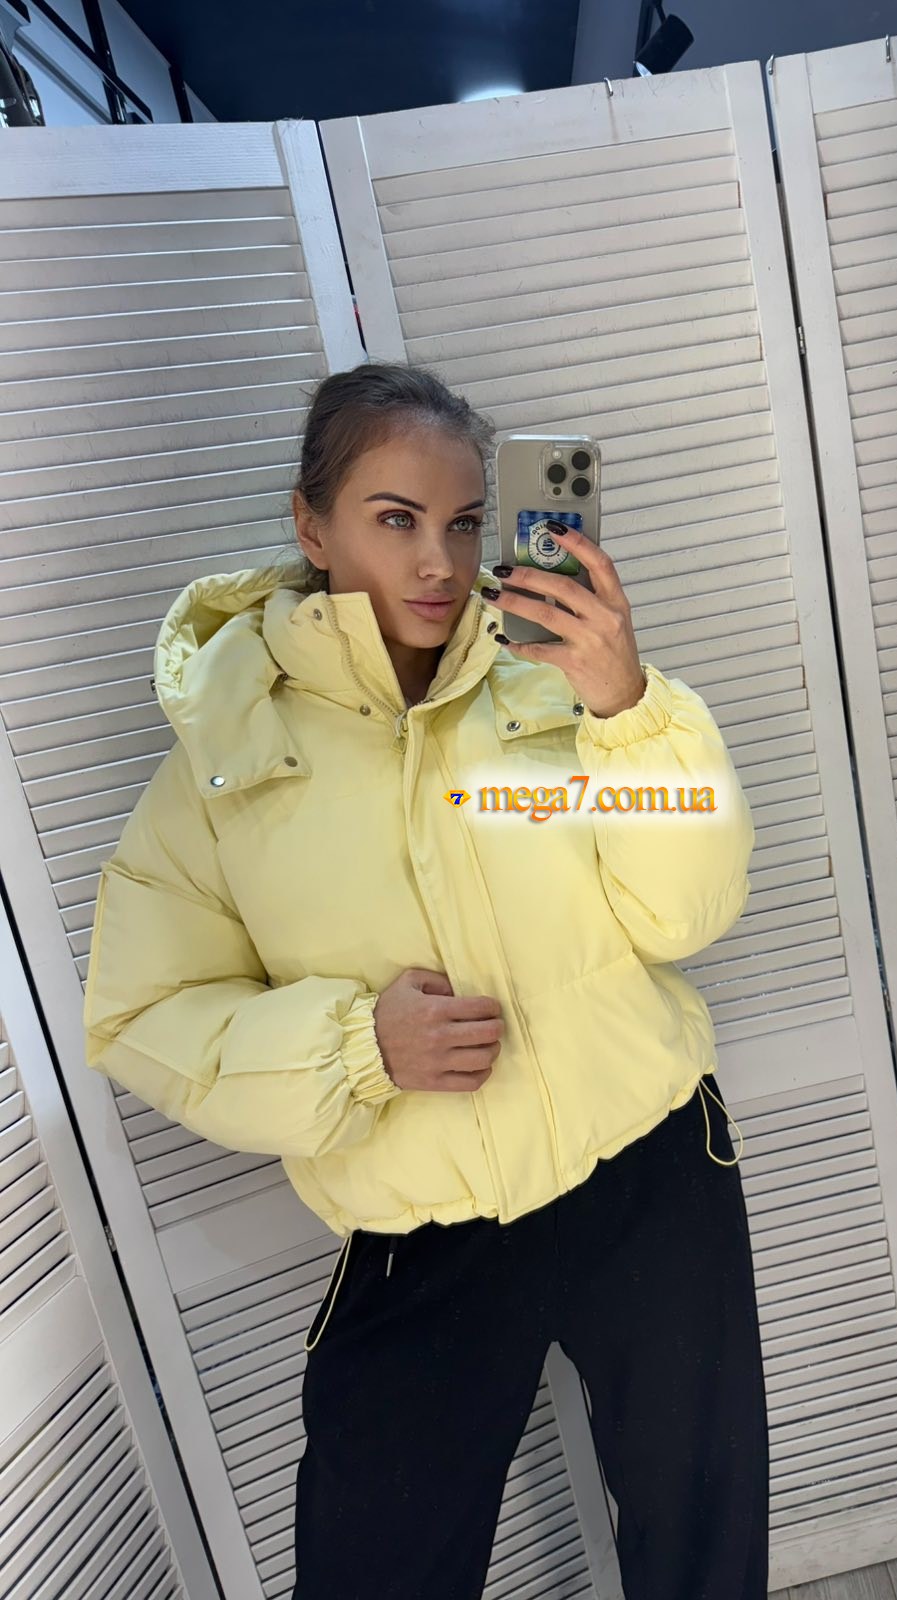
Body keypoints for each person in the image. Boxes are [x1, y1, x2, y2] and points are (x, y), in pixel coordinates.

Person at [82, 361, 769, 1599]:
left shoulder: (559, 684)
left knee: (701, 1539)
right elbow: (142, 1014)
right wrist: (358, 1045)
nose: (438, 562)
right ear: (312, 526)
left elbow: (688, 912)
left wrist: (629, 707)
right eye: (394, 519)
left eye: (463, 521)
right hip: (422, 1231)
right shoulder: (227, 760)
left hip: (650, 1169)